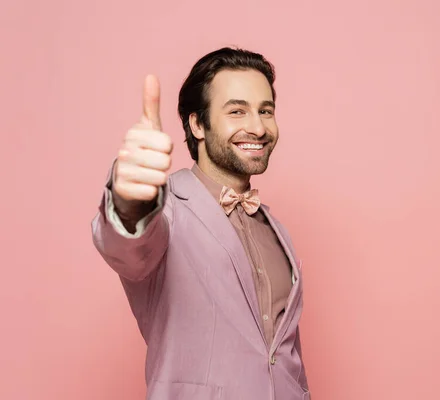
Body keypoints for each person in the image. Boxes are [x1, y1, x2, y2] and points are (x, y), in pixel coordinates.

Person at [91, 47, 310, 400]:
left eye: (265, 111)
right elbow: (128, 246)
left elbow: (281, 356)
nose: (257, 127)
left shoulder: (276, 230)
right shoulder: (167, 209)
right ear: (197, 124)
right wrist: (129, 198)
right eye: (237, 111)